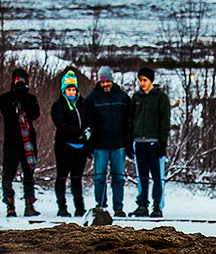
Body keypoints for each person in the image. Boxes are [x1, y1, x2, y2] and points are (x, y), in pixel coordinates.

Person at [82, 66, 131, 216]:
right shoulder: (92, 98)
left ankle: (118, 207)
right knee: (99, 177)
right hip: (100, 146)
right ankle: (101, 206)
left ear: (112, 80)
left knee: (118, 178)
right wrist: (89, 144)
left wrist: (128, 142)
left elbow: (129, 121)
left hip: (119, 146)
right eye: (103, 82)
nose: (105, 85)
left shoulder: (122, 97)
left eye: (108, 81)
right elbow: (87, 122)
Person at [0, 67, 41, 217]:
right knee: (8, 174)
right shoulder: (5, 98)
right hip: (11, 142)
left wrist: (24, 97)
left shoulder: (31, 98)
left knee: (29, 174)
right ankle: (10, 205)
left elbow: (35, 114)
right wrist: (15, 96)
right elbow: (6, 113)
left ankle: (29, 204)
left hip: (27, 141)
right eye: (18, 80)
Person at [128, 66, 171, 218]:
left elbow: (165, 121)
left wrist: (163, 142)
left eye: (145, 80)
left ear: (151, 80)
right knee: (142, 176)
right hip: (139, 141)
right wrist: (130, 139)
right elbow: (131, 119)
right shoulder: (136, 98)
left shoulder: (161, 98)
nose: (142, 83)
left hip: (154, 142)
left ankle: (157, 206)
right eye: (140, 80)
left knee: (157, 177)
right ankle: (142, 205)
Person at [50, 70, 90, 216]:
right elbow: (61, 124)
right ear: (64, 90)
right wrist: (77, 132)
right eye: (69, 89)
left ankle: (79, 206)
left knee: (77, 177)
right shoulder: (58, 105)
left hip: (81, 146)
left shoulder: (83, 103)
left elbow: (89, 120)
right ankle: (62, 206)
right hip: (65, 145)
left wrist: (87, 133)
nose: (71, 92)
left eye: (73, 89)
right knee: (62, 176)